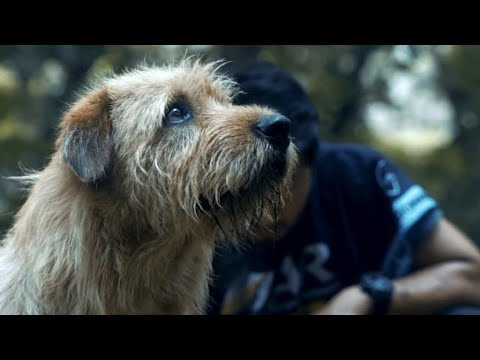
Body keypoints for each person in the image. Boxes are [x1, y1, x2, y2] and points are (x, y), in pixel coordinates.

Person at [207, 61, 480, 315]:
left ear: (309, 162)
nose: (263, 211)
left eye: (281, 180)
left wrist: (372, 295)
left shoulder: (359, 175)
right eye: (242, 186)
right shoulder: (196, 221)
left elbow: (472, 274)